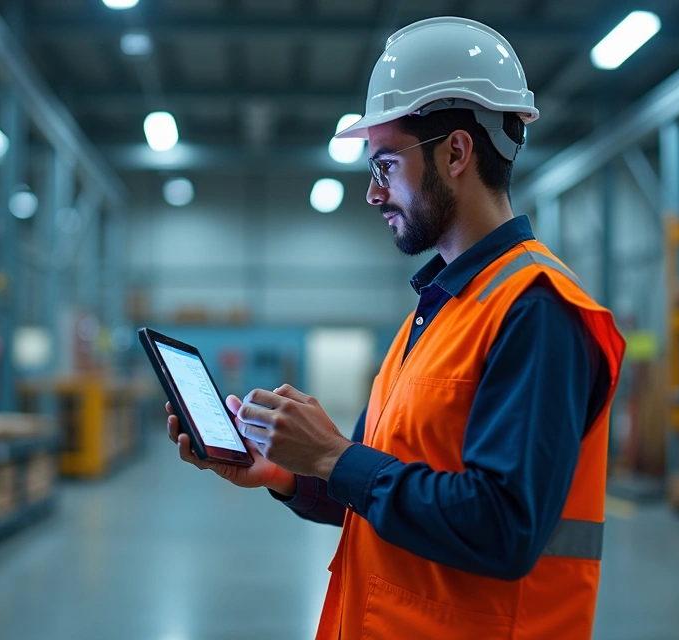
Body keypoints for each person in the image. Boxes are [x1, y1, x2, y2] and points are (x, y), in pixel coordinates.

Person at [165, 17, 624, 640]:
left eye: (385, 164)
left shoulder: (536, 310)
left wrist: (334, 454)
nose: (374, 194)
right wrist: (288, 471)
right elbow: (374, 488)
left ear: (456, 153)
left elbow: (504, 528)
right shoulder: (432, 312)